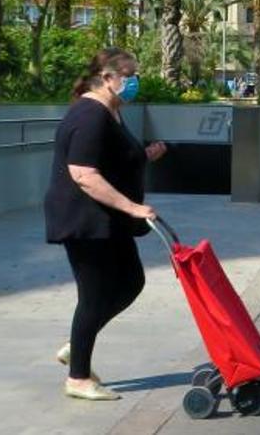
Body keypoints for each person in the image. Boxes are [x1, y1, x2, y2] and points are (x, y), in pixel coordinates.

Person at [44, 48, 167, 401]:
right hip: (84, 219)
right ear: (108, 78)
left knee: (131, 281)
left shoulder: (111, 112)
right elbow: (83, 174)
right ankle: (78, 377)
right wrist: (132, 207)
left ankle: (76, 346)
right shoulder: (90, 113)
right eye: (129, 75)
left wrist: (144, 156)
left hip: (107, 220)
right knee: (94, 295)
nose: (135, 81)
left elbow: (111, 160)